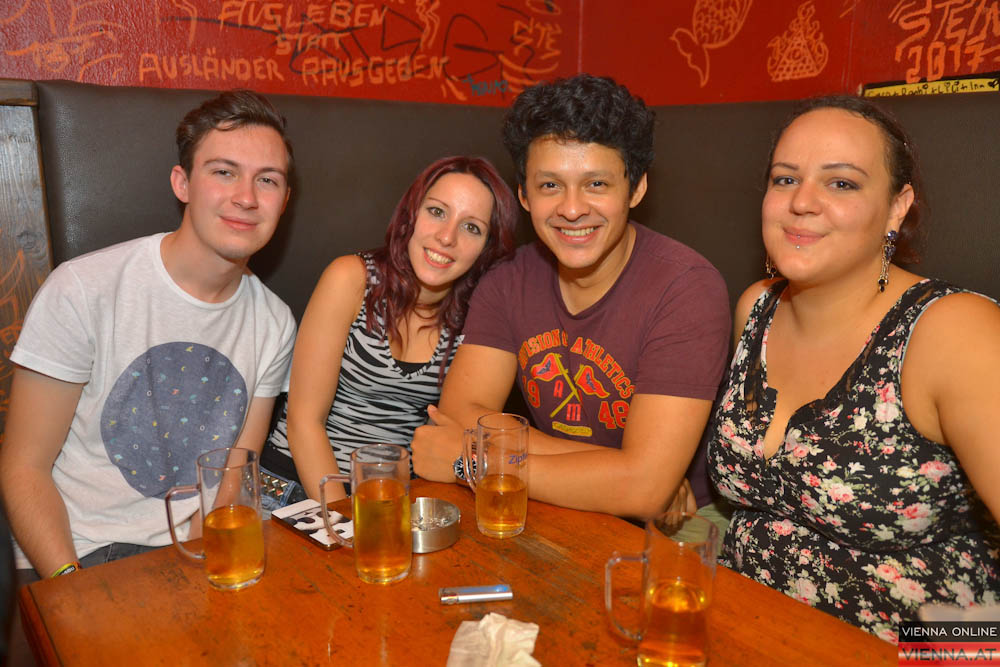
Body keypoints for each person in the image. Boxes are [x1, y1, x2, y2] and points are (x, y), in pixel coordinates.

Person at [707, 95, 1000, 642]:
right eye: (785, 179)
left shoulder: (953, 332)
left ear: (896, 207)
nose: (802, 202)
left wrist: (954, 653)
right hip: (740, 629)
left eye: (841, 183)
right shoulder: (756, 309)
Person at [0, 90, 297, 580]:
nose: (246, 197)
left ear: (283, 201)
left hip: (190, 554)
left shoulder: (274, 322)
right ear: (183, 183)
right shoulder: (83, 289)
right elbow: (23, 468)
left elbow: (232, 477)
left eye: (267, 180)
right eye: (224, 172)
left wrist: (202, 572)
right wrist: (72, 589)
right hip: (76, 553)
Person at [410, 74, 732, 520]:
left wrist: (476, 462)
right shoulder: (507, 280)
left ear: (636, 189)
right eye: (550, 186)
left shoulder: (686, 288)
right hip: (548, 500)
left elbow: (643, 493)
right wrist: (622, 472)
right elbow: (461, 414)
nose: (572, 208)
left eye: (596, 184)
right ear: (524, 195)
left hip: (680, 523)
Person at [260, 156, 518, 505]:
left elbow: (457, 437)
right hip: (299, 488)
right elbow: (304, 421)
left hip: (390, 500)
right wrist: (342, 518)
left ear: (487, 248)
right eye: (437, 212)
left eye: (471, 227)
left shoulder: (479, 319)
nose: (446, 237)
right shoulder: (351, 279)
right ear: (411, 215)